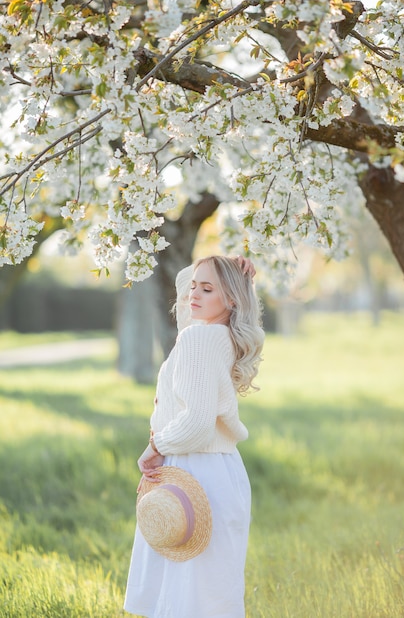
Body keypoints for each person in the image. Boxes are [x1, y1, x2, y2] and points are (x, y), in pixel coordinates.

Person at [124, 255, 265, 618]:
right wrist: (229, 271)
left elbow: (198, 423)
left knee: (187, 598)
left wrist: (154, 446)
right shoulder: (221, 335)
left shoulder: (199, 339)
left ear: (231, 299)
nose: (193, 294)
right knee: (210, 596)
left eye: (207, 288)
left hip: (193, 471)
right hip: (220, 472)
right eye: (193, 287)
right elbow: (192, 292)